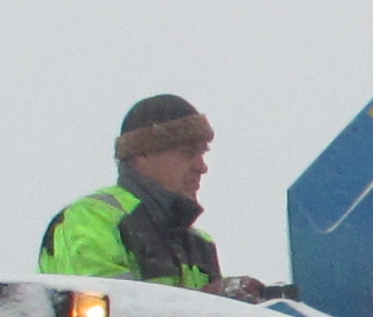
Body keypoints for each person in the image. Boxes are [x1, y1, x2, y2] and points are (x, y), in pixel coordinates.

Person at [40, 95, 274, 297]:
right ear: (142, 154)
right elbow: (107, 316)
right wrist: (210, 298)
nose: (202, 167)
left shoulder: (199, 244)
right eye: (188, 153)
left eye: (202, 154)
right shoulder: (90, 219)